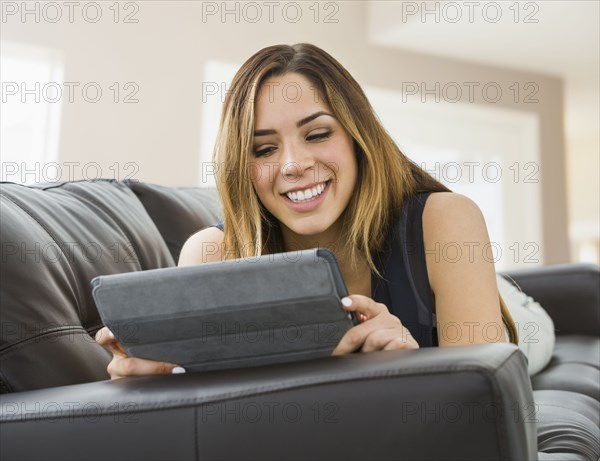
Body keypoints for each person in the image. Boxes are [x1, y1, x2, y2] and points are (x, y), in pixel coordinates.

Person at [96, 43, 517, 379]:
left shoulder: (446, 220)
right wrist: (154, 389)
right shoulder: (211, 252)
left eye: (317, 134)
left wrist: (412, 369)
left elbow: (490, 402)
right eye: (264, 149)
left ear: (357, 137)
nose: (293, 164)